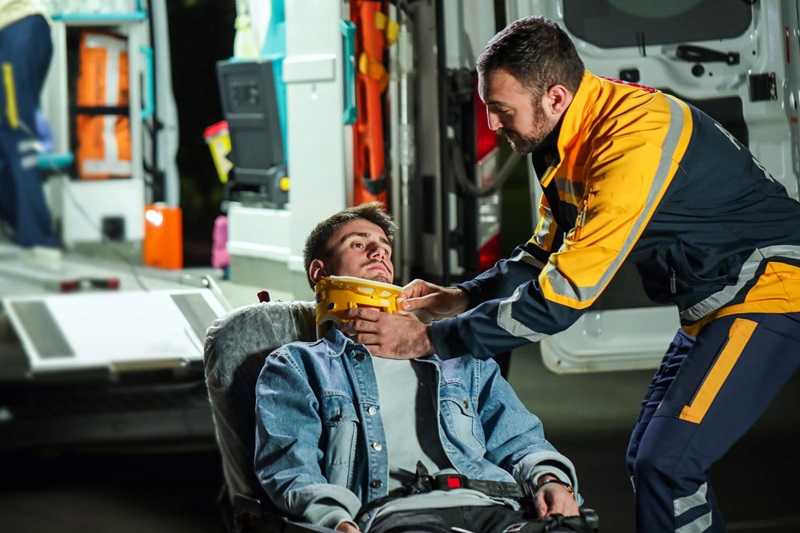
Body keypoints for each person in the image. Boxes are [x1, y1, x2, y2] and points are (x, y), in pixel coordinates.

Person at [341, 16, 800, 533]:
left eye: (501, 111)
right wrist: (456, 299)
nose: (492, 125)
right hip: (719, 302)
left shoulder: (631, 142)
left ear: (555, 97)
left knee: (668, 464)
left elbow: (560, 299)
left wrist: (425, 340)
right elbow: (541, 258)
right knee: (650, 459)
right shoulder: (564, 135)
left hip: (772, 293)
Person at [254, 202, 583, 533]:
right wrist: (335, 521)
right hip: (398, 515)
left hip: (495, 508)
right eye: (358, 243)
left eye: (385, 248)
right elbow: (292, 469)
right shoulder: (298, 365)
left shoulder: (456, 356)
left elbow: (520, 439)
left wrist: (551, 480)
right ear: (320, 273)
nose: (377, 253)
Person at [0, 0, 57, 247]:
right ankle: (18, 226)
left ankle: (38, 238)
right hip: (14, 34)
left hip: (19, 28)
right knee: (8, 136)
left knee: (16, 132)